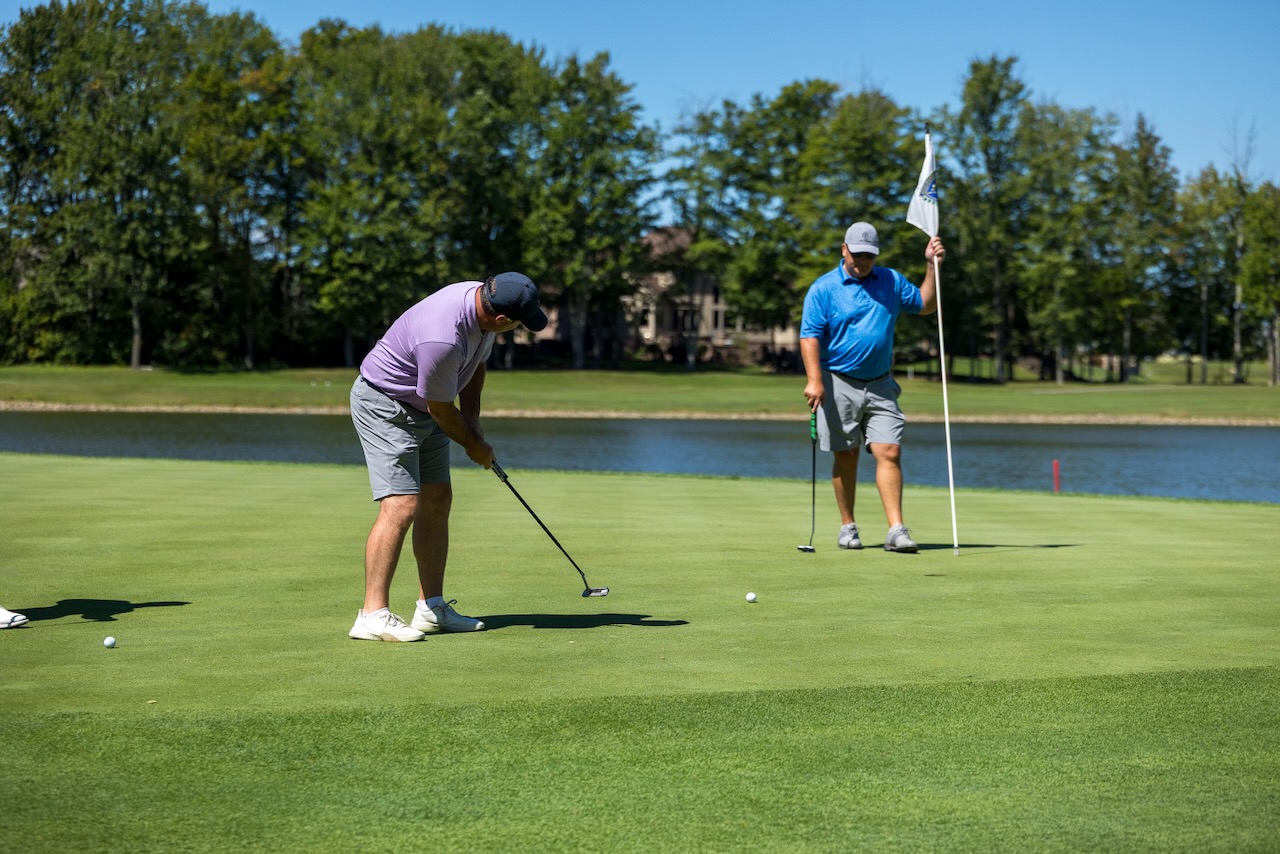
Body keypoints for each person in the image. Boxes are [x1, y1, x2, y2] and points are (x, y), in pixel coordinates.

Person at [348, 272, 549, 642]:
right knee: (402, 504)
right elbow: (440, 408)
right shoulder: (443, 337)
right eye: (518, 323)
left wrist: (473, 422)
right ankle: (372, 615)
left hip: (426, 406)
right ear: (501, 318)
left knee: (438, 498)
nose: (518, 328)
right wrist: (474, 446)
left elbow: (475, 367)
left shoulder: (483, 307)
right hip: (386, 404)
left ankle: (431, 608)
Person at [800, 221, 945, 553]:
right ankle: (847, 526)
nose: (863, 261)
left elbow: (925, 304)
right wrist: (814, 380)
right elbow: (809, 336)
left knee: (890, 450)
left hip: (881, 384)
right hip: (838, 382)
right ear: (844, 250)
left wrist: (931, 265)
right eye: (858, 254)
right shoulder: (824, 288)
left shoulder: (890, 281)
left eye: (869, 255)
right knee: (847, 454)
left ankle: (896, 530)